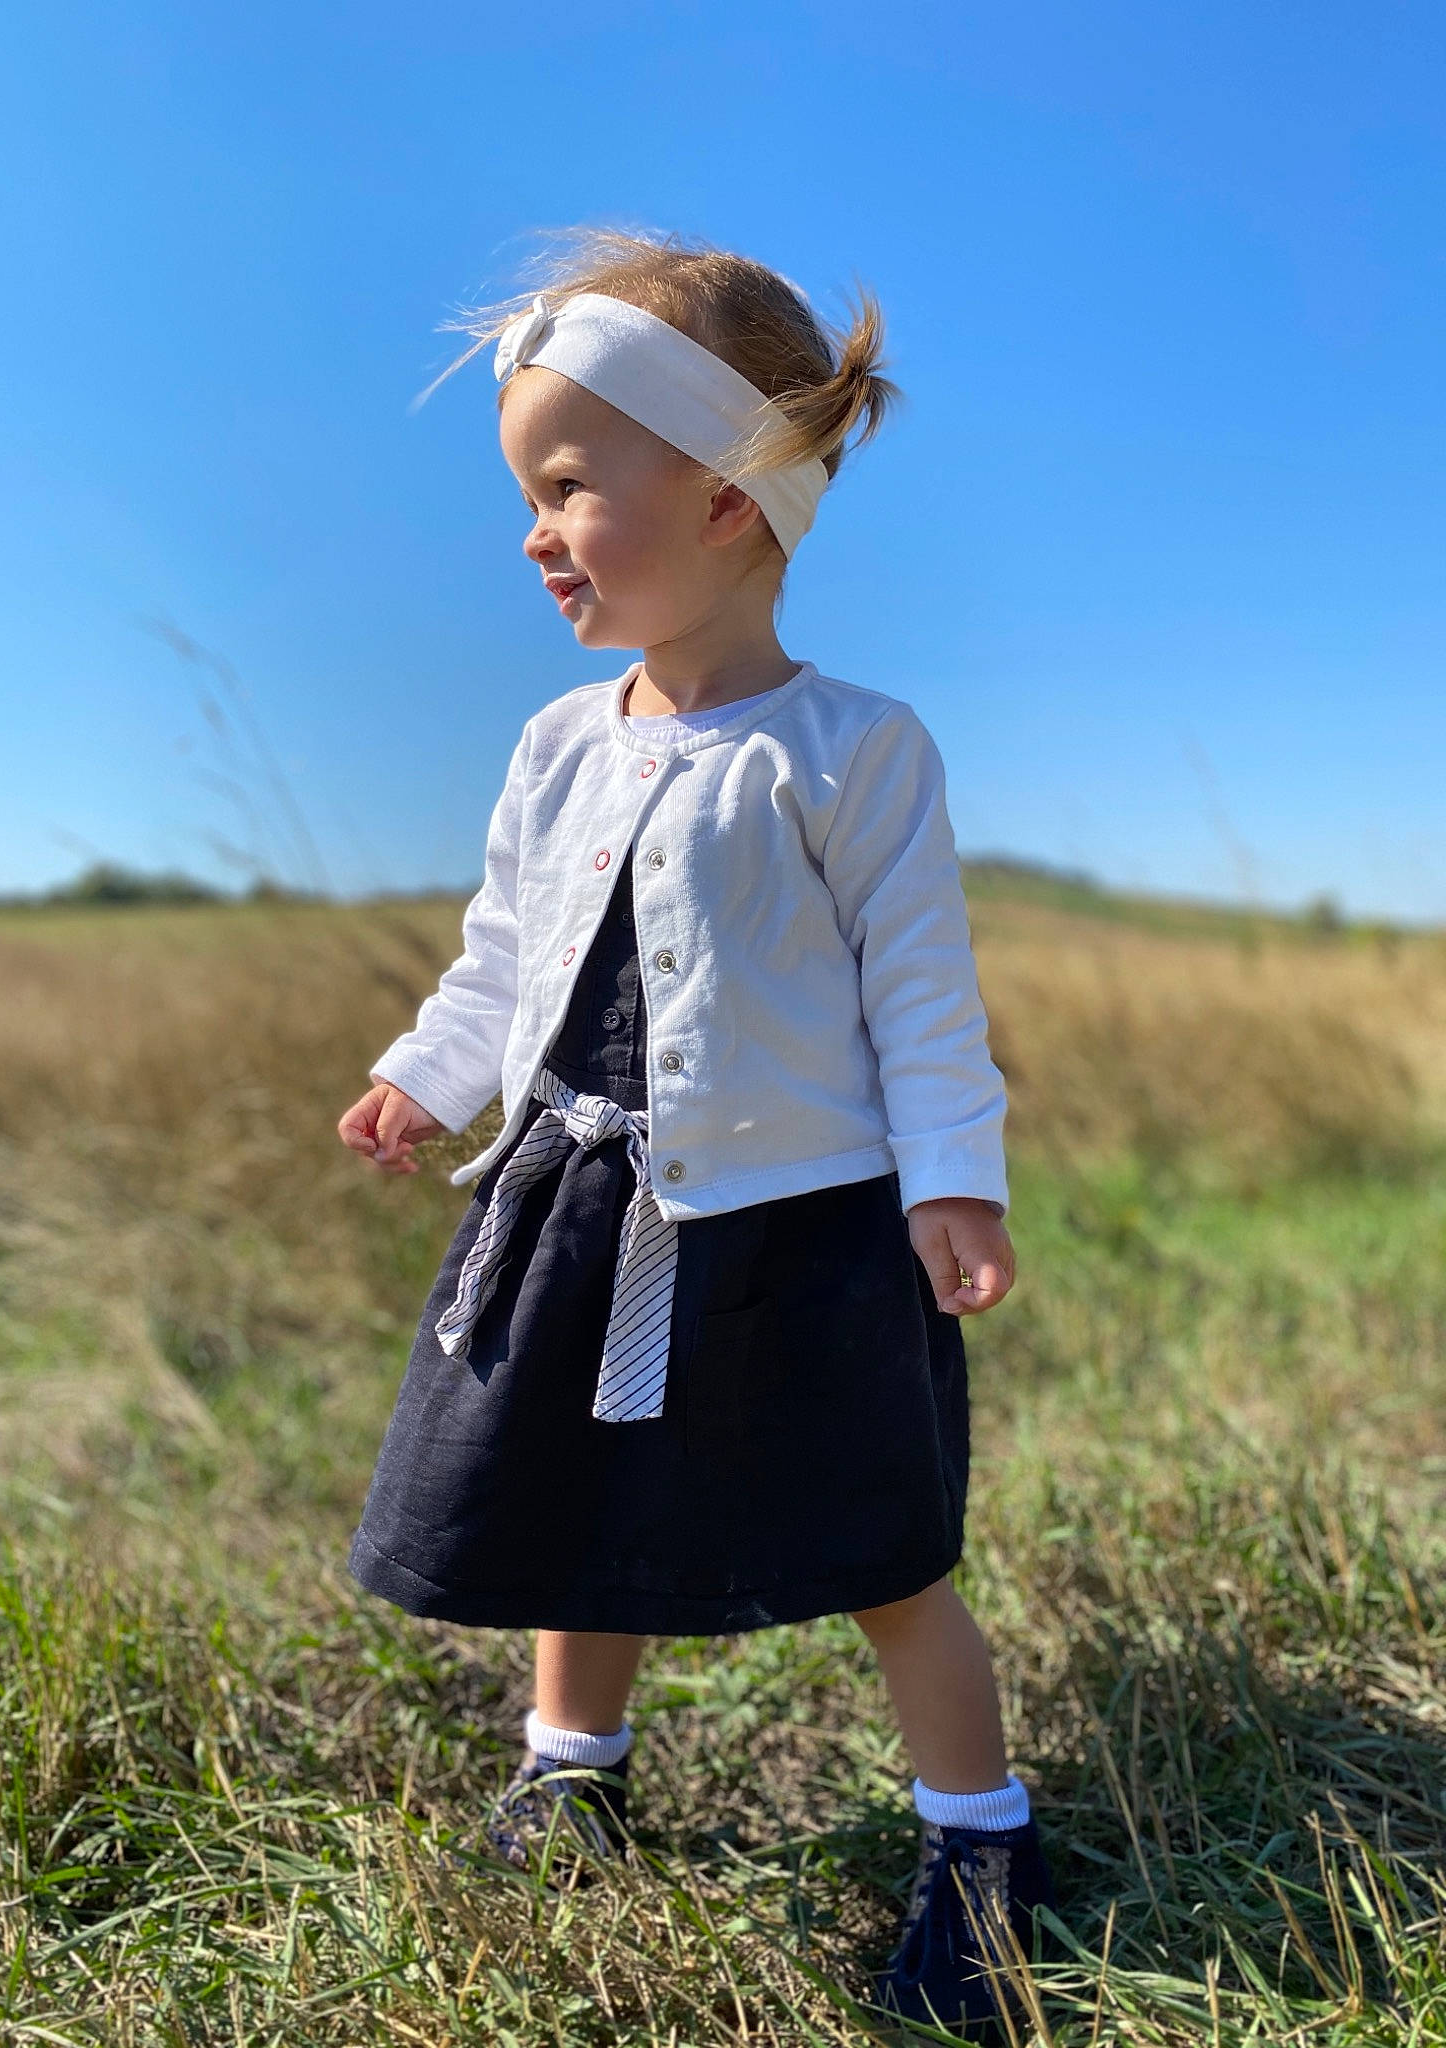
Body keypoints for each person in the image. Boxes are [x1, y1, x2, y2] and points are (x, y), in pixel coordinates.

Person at [337, 228, 1053, 2035]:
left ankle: (980, 1839)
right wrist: (433, 1070)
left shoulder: (854, 751)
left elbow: (923, 990)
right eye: (529, 490)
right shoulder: (558, 745)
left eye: (570, 484)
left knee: (886, 1547)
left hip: (803, 1230)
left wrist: (953, 1177)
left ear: (733, 496)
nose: (533, 532)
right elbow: (505, 949)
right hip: (585, 1198)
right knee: (581, 1506)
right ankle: (571, 1765)